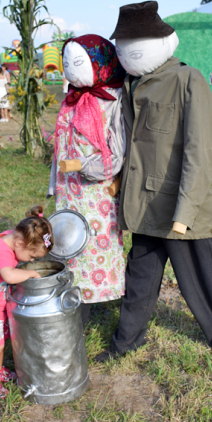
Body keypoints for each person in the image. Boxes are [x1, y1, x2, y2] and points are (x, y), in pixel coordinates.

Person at [108, 0, 212, 357]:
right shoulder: (130, 85)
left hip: (180, 205)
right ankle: (126, 341)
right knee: (139, 279)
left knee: (206, 277)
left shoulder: (187, 79)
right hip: (144, 203)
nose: (128, 53)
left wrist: (185, 213)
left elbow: (199, 152)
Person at [49, 35, 127, 328]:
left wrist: (81, 165)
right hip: (68, 191)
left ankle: (92, 301)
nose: (70, 69)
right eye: (67, 63)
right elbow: (60, 146)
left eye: (78, 62)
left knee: (94, 246)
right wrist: (54, 182)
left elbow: (116, 155)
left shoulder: (110, 101)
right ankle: (72, 302)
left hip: (96, 192)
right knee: (68, 244)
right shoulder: (71, 100)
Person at [0, 205, 54, 399]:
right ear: (19, 244)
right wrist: (31, 273)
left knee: (0, 341)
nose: (30, 261)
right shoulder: (1, 252)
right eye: (32, 256)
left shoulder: (10, 237)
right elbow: (9, 275)